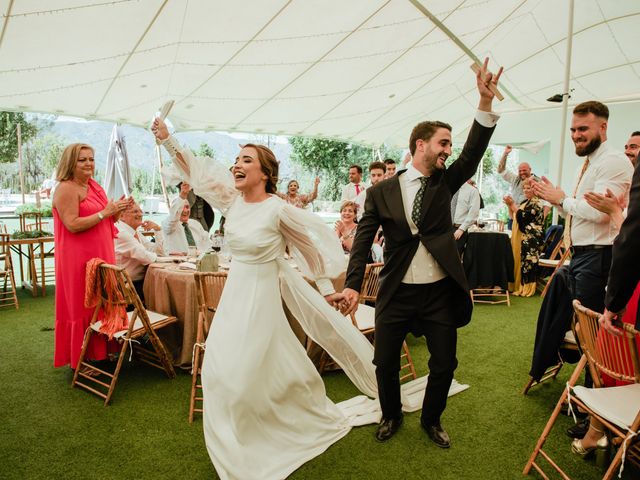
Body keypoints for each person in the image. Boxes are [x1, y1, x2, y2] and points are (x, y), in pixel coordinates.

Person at [152, 118, 382, 480]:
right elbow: (194, 172)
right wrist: (168, 141)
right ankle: (240, 433)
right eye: (236, 161)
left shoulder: (278, 210)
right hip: (234, 299)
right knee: (219, 368)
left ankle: (263, 429)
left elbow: (311, 252)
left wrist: (326, 291)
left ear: (265, 173)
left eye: (246, 160)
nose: (236, 166)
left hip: (261, 301)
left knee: (244, 371)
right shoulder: (233, 201)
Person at [341, 58, 503, 447]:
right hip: (395, 292)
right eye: (443, 143)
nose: (449, 149)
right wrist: (351, 285)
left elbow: (473, 153)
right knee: (383, 363)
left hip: (438, 293)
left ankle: (432, 419)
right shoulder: (380, 191)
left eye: (450, 143)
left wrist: (483, 103)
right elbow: (363, 240)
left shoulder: (445, 182)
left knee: (445, 363)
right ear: (421, 145)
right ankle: (391, 413)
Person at [528, 101, 633, 384]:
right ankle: (587, 395)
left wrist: (562, 199)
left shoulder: (612, 161)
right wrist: (556, 200)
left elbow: (601, 215)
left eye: (582, 128)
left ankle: (593, 404)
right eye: (573, 129)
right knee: (581, 329)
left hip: (600, 257)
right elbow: (579, 212)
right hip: (582, 256)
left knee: (592, 334)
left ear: (603, 127)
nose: (576, 134)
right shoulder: (587, 164)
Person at [52, 143, 131, 369]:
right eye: (82, 160)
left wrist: (117, 212)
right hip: (78, 260)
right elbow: (73, 224)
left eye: (91, 159)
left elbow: (105, 220)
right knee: (82, 305)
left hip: (102, 255)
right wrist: (104, 212)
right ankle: (82, 358)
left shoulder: (95, 186)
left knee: (103, 301)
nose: (89, 163)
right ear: (70, 163)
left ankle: (103, 352)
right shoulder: (66, 189)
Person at [114, 201, 164, 302]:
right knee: (164, 293)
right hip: (127, 289)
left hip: (135, 284)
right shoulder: (121, 233)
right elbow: (146, 257)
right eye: (135, 211)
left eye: (141, 211)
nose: (140, 214)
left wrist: (157, 229)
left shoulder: (134, 233)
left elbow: (158, 252)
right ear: (121, 216)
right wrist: (172, 260)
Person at [503, 178, 545, 297]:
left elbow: (523, 217)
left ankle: (526, 288)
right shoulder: (525, 202)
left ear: (535, 189)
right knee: (516, 260)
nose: (526, 190)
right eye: (524, 188)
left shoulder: (536, 203)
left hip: (530, 239)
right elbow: (513, 217)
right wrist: (509, 205)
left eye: (529, 188)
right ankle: (515, 285)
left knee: (526, 263)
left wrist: (512, 204)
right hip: (520, 237)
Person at [162, 182, 211, 254]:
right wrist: (182, 195)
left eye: (187, 207)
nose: (185, 210)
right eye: (182, 207)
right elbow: (173, 217)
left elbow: (207, 244)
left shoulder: (195, 224)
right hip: (178, 262)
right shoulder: (168, 224)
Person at [451, 179, 481, 254]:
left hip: (458, 230)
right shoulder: (448, 187)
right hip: (443, 229)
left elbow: (474, 213)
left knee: (455, 259)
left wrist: (461, 229)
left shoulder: (472, 191)